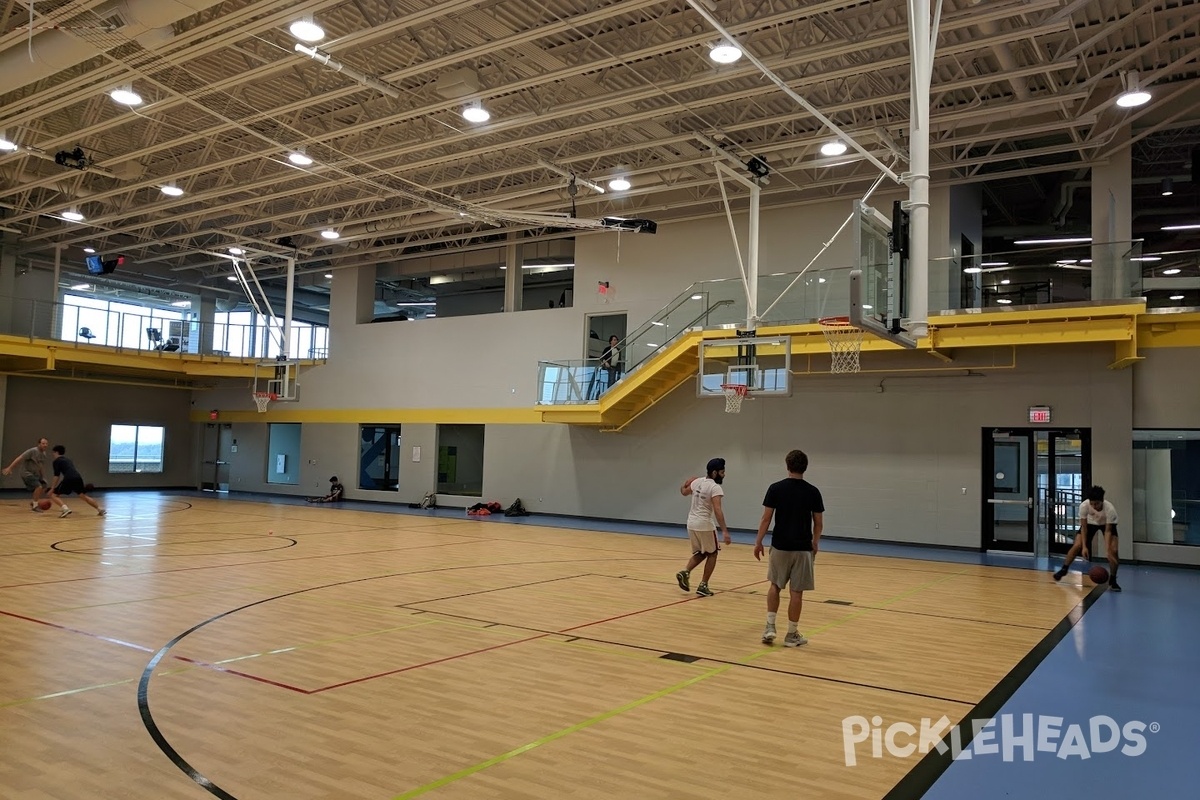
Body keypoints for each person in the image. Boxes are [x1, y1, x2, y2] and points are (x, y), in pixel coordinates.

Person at [754, 449, 824, 647]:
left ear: (787, 466)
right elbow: (818, 523)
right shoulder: (813, 491)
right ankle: (791, 634)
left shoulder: (775, 488)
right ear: (805, 467)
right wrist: (815, 542)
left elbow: (766, 518)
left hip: (780, 546)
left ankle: (769, 627)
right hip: (803, 548)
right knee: (796, 592)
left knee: (775, 586)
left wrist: (758, 541)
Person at [675, 457, 731, 597]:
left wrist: (685, 483)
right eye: (722, 472)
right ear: (714, 473)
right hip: (705, 524)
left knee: (701, 552)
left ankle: (685, 572)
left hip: (691, 523)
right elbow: (718, 510)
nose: (724, 475)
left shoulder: (697, 481)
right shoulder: (715, 487)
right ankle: (703, 585)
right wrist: (724, 531)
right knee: (713, 554)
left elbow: (683, 492)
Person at [1054, 485, 1121, 592]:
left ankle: (1113, 579)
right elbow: (1084, 528)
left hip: (1106, 525)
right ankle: (1064, 569)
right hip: (1089, 525)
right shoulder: (1084, 506)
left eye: (1097, 504)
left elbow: (1108, 531)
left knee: (1113, 551)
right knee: (1077, 545)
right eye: (1092, 503)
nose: (1094, 506)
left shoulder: (1110, 509)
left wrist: (1107, 550)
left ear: (1102, 501)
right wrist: (1085, 547)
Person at [46, 445, 104, 518]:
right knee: (83, 496)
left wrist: (52, 488)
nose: (53, 454)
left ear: (56, 452)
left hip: (69, 478)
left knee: (53, 495)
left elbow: (56, 475)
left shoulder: (56, 461)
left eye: (53, 453)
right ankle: (99, 509)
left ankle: (65, 509)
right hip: (78, 477)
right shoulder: (68, 459)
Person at [3, 436, 51, 512]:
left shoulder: (44, 454)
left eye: (46, 443)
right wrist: (10, 468)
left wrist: (43, 477)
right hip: (26, 473)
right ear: (39, 444)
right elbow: (20, 458)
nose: (45, 445)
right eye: (43, 443)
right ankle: (35, 506)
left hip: (35, 474)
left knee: (44, 485)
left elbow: (41, 466)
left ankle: (34, 502)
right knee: (39, 486)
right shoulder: (32, 451)